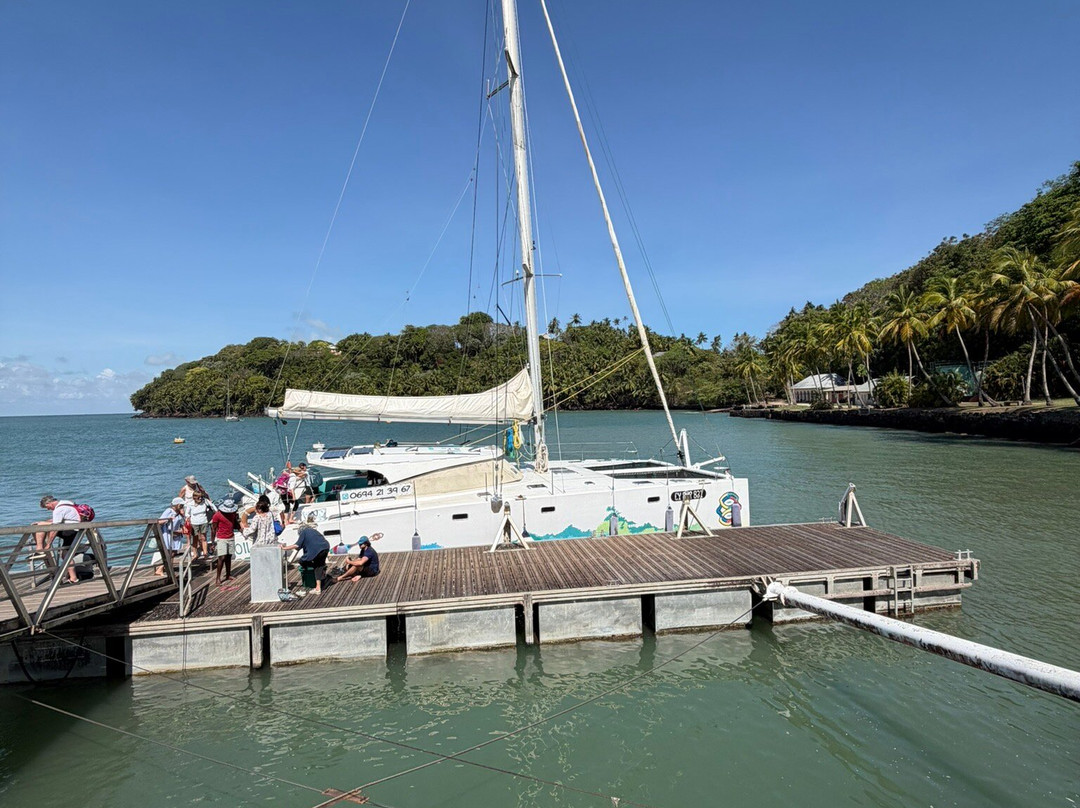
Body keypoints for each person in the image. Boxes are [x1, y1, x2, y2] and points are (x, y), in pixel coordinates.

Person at [35, 495, 82, 584]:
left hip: (69, 531)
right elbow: (62, 519)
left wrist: (48, 544)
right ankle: (73, 578)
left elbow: (55, 528)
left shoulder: (58, 510)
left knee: (40, 526)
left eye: (47, 507)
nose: (48, 509)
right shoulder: (67, 503)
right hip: (76, 530)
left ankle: (39, 549)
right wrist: (47, 522)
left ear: (49, 503)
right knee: (65, 554)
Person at [281, 516, 330, 595]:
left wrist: (285, 548)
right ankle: (319, 586)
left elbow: (297, 545)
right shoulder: (313, 531)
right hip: (325, 547)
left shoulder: (304, 532)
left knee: (302, 561)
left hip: (316, 550)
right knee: (319, 566)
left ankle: (315, 581)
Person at [210, 498, 239, 585]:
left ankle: (228, 574)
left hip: (230, 536)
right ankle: (218, 578)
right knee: (221, 557)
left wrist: (242, 530)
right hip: (221, 538)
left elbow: (235, 524)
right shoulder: (217, 515)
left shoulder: (233, 514)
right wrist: (212, 542)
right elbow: (213, 529)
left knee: (229, 556)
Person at [156, 498, 186, 577]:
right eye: (181, 505)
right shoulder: (169, 511)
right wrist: (168, 519)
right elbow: (159, 521)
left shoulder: (178, 512)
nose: (182, 506)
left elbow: (180, 522)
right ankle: (160, 569)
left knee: (173, 553)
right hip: (168, 535)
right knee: (169, 553)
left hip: (176, 535)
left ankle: (169, 568)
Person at [187, 490, 213, 561]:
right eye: (199, 497)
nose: (200, 499)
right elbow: (187, 514)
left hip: (203, 521)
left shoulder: (205, 502)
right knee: (195, 539)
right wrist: (188, 519)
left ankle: (205, 553)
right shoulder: (190, 504)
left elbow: (213, 507)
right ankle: (195, 554)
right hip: (194, 523)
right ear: (194, 497)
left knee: (203, 538)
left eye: (201, 497)